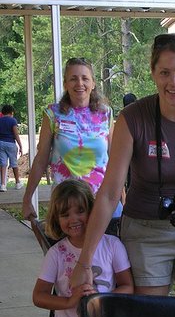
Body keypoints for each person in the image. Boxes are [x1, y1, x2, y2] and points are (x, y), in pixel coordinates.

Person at [71, 33, 175, 298]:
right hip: (144, 229)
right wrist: (84, 262)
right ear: (153, 73)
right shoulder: (132, 118)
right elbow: (111, 192)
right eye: (165, 72)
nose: (174, 82)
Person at [32, 179, 133, 317]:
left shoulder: (111, 245)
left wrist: (100, 299)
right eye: (65, 214)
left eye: (80, 211)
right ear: (57, 220)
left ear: (93, 211)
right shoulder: (57, 254)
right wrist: (69, 301)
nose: (73, 219)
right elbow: (38, 296)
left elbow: (128, 286)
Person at [22, 57, 123, 220]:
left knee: (108, 246)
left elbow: (115, 160)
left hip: (102, 202)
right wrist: (27, 199)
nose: (79, 83)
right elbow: (41, 159)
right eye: (73, 78)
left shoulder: (106, 113)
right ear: (65, 84)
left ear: (93, 83)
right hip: (67, 205)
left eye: (85, 78)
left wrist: (122, 197)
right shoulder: (53, 114)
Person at [0, 104, 23, 192]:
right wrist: (20, 146)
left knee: (3, 163)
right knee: (14, 163)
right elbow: (16, 134)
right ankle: (17, 182)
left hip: (1, 143)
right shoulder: (13, 120)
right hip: (10, 143)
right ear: (11, 112)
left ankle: (2, 185)